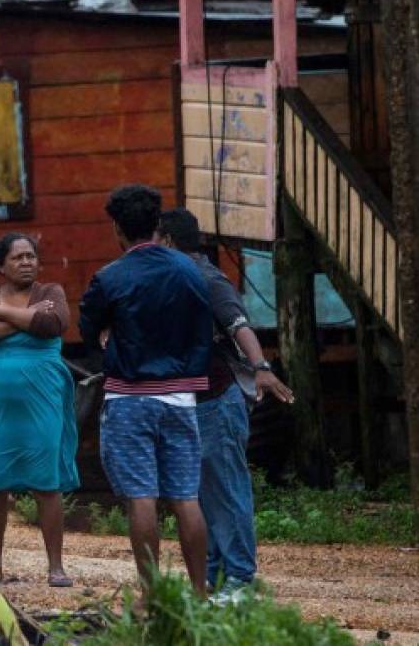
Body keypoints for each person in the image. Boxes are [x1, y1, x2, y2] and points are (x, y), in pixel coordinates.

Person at [78, 184, 212, 596]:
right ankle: (199, 591)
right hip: (180, 394)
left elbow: (87, 329)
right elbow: (202, 326)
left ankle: (151, 594)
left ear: (117, 227)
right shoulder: (190, 270)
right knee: (186, 496)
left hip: (130, 395)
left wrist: (106, 332)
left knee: (142, 497)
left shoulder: (110, 277)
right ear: (158, 225)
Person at [158, 208, 294, 598]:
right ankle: (217, 577)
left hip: (217, 400)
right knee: (202, 493)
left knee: (226, 490)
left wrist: (262, 367)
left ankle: (240, 579)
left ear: (167, 240)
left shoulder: (204, 276)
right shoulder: (177, 278)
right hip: (190, 401)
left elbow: (238, 324)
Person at [0, 233, 79, 588]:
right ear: (0, 266)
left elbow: (53, 324)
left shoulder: (50, 292)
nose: (27, 262)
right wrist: (24, 317)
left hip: (42, 399)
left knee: (46, 482)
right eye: (17, 258)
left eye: (31, 256)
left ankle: (55, 566)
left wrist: (1, 316)